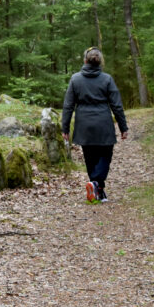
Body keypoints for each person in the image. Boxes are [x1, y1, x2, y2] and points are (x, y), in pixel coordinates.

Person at [61, 47, 128, 203]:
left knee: (90, 158)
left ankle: (97, 190)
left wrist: (65, 128)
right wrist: (123, 127)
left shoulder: (75, 79)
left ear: (85, 61)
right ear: (100, 61)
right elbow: (116, 105)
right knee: (105, 156)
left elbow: (68, 105)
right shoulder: (107, 79)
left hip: (84, 125)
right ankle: (97, 184)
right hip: (103, 123)